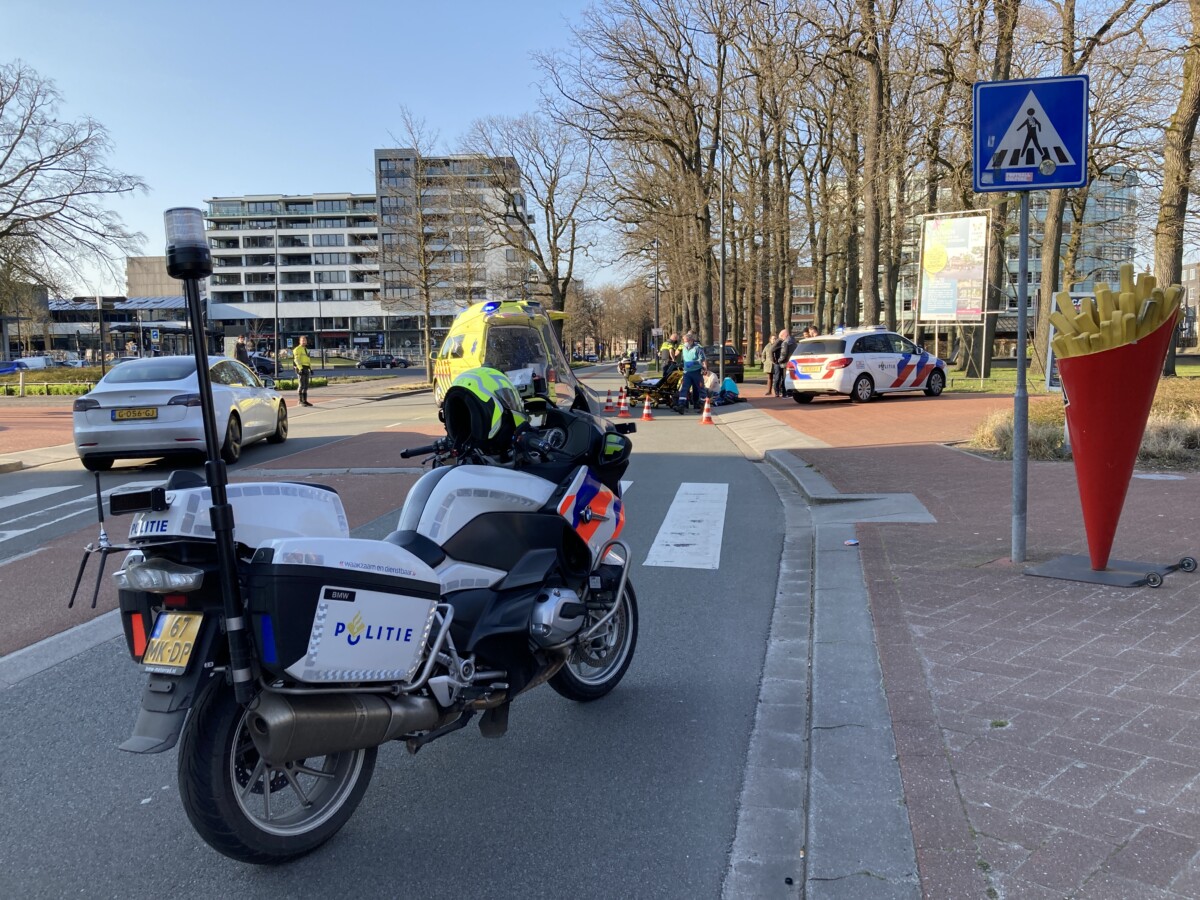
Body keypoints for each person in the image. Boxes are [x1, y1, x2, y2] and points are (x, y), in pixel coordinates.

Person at [676, 332, 707, 411]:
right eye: (684, 341)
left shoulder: (697, 348)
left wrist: (695, 363)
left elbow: (702, 359)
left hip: (696, 371)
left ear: (691, 340)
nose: (685, 343)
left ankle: (702, 406)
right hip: (687, 372)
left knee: (700, 389)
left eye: (686, 341)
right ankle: (681, 405)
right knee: (684, 388)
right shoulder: (684, 347)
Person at [772, 328, 796, 398]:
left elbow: (784, 354)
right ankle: (790, 392)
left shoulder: (785, 343)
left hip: (785, 363)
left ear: (784, 336)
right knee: (790, 377)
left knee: (785, 378)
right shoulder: (793, 342)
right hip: (792, 363)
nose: (780, 339)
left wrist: (779, 360)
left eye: (781, 337)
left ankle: (785, 393)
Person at [293, 336, 314, 407]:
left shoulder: (306, 350)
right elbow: (296, 359)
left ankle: (305, 400)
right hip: (300, 368)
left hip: (306, 368)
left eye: (305, 340)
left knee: (306, 385)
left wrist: (311, 369)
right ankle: (300, 401)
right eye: (303, 340)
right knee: (301, 385)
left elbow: (308, 360)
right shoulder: (297, 349)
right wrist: (300, 368)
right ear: (300, 341)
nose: (304, 341)